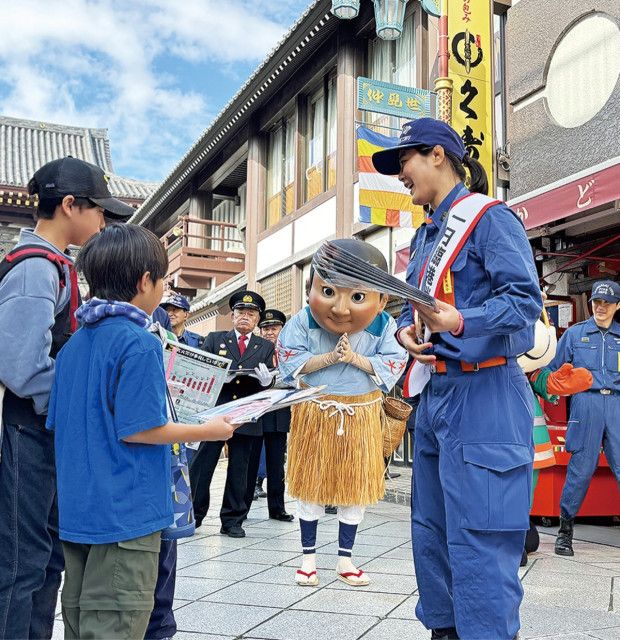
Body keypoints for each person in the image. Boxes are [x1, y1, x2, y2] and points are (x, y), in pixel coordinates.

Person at [372, 117, 542, 640]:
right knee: (432, 531)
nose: (399, 174)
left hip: (485, 392)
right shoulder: (425, 235)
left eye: (403, 161)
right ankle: (443, 630)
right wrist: (406, 331)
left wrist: (463, 320)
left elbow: (524, 303)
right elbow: (410, 304)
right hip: (436, 395)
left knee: (481, 538)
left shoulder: (490, 219)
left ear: (439, 155)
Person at [46, 223, 235, 640]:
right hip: (126, 514)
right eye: (163, 278)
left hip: (79, 512)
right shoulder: (140, 342)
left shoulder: (75, 344)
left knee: (81, 623)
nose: (164, 288)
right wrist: (210, 429)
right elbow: (143, 429)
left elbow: (60, 422)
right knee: (118, 624)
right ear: (144, 281)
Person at [0, 157, 134, 640]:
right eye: (98, 210)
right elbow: (20, 365)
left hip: (42, 430)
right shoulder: (36, 268)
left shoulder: (55, 266)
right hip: (25, 431)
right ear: (71, 205)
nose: (103, 221)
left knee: (45, 556)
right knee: (21, 561)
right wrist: (76, 403)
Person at [277, 239, 407, 588]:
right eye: (329, 291)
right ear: (311, 290)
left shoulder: (384, 326)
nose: (341, 308)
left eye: (358, 297)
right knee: (311, 487)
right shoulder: (302, 321)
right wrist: (331, 358)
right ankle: (307, 560)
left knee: (356, 490)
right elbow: (291, 361)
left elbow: (393, 363)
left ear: (382, 299)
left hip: (361, 414)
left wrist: (355, 359)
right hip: (316, 411)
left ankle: (346, 560)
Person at [190, 291, 276, 538]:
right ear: (233, 316)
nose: (245, 318)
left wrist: (267, 381)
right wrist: (216, 376)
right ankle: (193, 515)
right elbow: (200, 372)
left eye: (250, 314)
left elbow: (269, 380)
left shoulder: (266, 346)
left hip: (246, 414)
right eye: (240, 313)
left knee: (241, 469)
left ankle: (232, 520)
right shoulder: (215, 339)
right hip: (217, 411)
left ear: (257, 319)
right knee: (202, 466)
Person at [545, 280, 620, 557]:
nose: (601, 308)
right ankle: (565, 534)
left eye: (607, 303)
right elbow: (552, 371)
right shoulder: (576, 335)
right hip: (585, 404)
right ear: (591, 304)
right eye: (597, 302)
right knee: (580, 470)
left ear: (617, 306)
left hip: (616, 404)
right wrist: (557, 388)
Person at [245, 309, 294, 521]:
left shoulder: (289, 351)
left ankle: (277, 508)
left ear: (282, 329)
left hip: (279, 411)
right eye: (265, 328)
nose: (268, 332)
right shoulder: (253, 348)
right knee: (250, 462)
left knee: (276, 464)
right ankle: (242, 508)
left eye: (273, 328)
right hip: (256, 410)